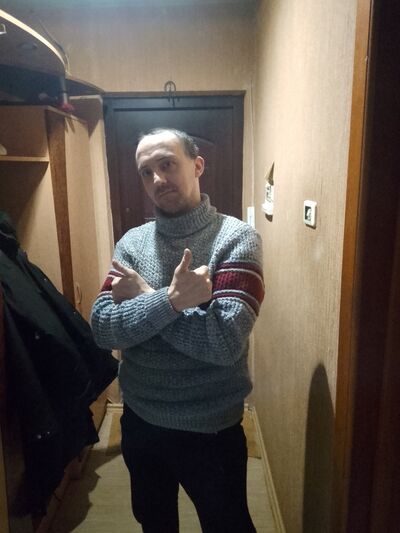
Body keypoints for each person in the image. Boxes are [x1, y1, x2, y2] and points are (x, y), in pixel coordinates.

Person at [91, 128, 265, 532]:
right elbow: (103, 328)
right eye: (146, 171)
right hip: (140, 419)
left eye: (167, 164)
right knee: (154, 522)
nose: (158, 179)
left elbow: (223, 343)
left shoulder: (237, 239)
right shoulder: (131, 244)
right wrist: (171, 301)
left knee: (228, 525)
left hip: (210, 427)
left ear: (197, 165)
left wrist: (144, 298)